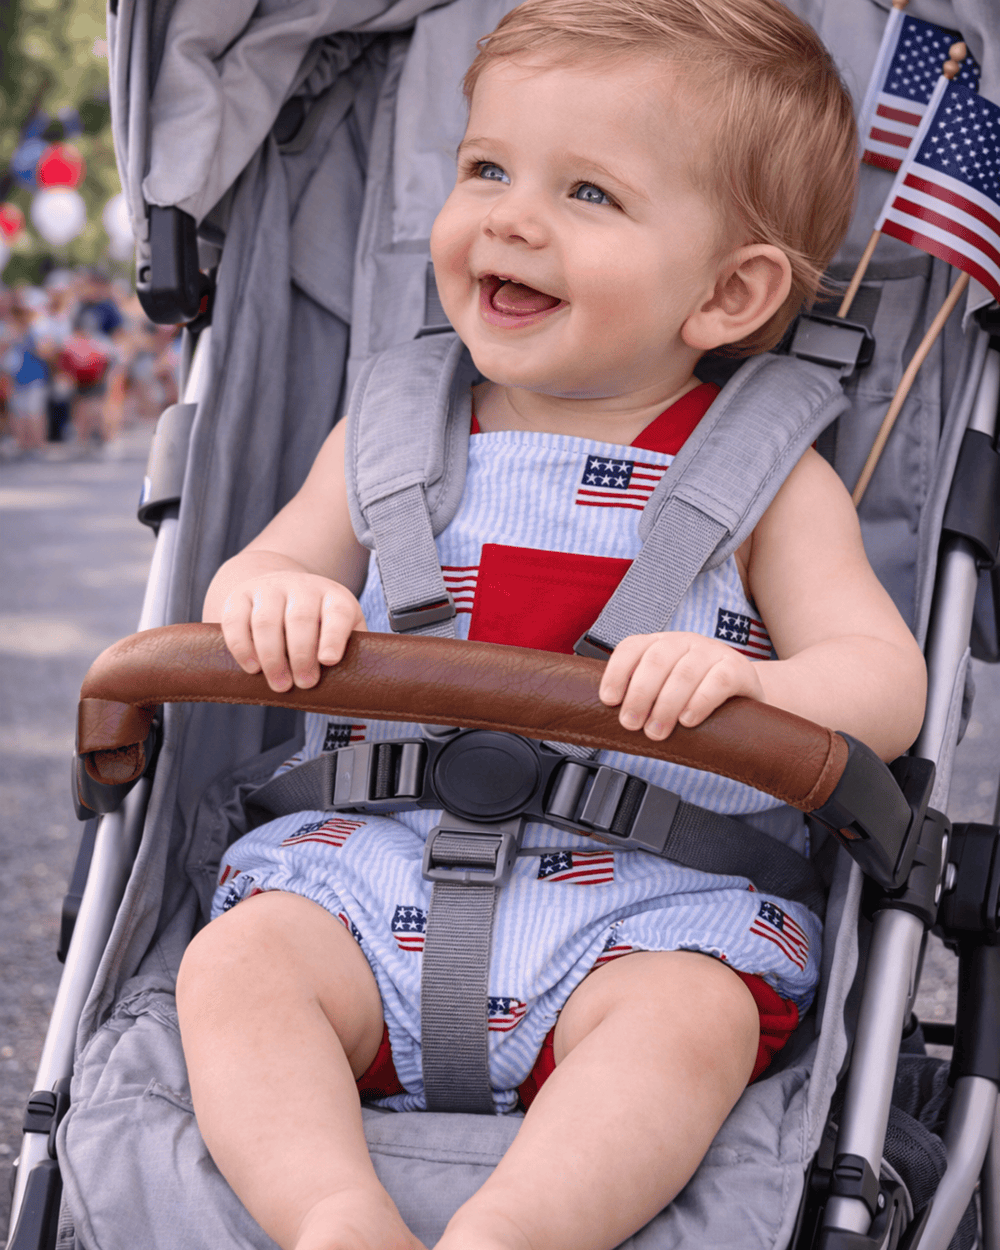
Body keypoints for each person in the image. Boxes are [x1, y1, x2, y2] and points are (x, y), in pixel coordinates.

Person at [177, 1, 928, 1248]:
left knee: (690, 1022)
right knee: (238, 966)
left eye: (588, 194)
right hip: (369, 874)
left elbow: (883, 680)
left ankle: (516, 1230)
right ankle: (332, 1214)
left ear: (729, 291)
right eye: (486, 169)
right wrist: (275, 593)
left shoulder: (766, 478)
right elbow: (255, 575)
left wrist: (760, 685)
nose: (510, 217)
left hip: (647, 908)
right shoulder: (387, 434)